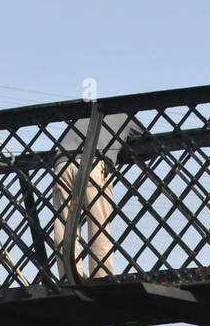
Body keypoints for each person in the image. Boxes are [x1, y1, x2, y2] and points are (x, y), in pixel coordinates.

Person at [53, 112, 144, 279]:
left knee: (64, 223)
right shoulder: (126, 115)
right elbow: (146, 143)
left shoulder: (83, 115)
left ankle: (69, 275)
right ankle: (101, 275)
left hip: (62, 164)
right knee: (99, 223)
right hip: (93, 163)